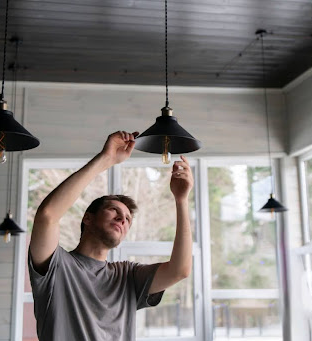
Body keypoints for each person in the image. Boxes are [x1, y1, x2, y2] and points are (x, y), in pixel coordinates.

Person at [28, 130, 194, 341]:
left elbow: (180, 270)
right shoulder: (56, 266)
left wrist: (181, 200)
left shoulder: (127, 276)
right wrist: (106, 159)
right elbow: (48, 216)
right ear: (87, 218)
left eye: (127, 218)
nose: (123, 219)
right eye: (114, 210)